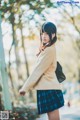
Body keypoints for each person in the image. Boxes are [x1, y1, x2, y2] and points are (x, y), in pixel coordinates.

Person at [19, 22, 64, 120]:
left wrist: (25, 87)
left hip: (49, 89)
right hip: (47, 87)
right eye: (42, 33)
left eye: (47, 34)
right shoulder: (48, 48)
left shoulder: (49, 50)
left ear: (53, 34)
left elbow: (37, 71)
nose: (44, 36)